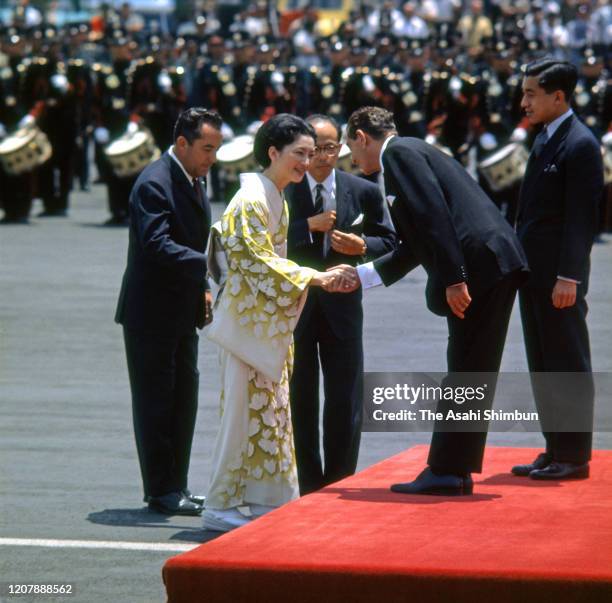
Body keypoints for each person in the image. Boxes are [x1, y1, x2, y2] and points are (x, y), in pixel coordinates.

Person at [338, 106, 529, 496]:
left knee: (466, 369)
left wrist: (455, 278)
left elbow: (433, 218)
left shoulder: (398, 154)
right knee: (472, 369)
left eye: (350, 150)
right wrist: (361, 277)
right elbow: (415, 244)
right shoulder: (411, 151)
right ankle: (454, 469)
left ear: (362, 136)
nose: (353, 161)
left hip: (477, 267)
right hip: (489, 262)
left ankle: (447, 469)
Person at [202, 114, 355, 532]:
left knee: (266, 414)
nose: (307, 162)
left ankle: (258, 499)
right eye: (299, 154)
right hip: (246, 327)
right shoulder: (250, 199)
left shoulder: (274, 197)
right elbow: (252, 259)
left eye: (312, 153)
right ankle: (220, 503)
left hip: (261, 324)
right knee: (240, 417)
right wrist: (314, 276)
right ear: (273, 152)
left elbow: (268, 262)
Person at [115, 108, 223, 515]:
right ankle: (161, 490)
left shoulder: (194, 177)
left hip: (182, 311)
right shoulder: (154, 183)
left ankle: (176, 485)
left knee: (183, 401)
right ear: (182, 144)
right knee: (156, 404)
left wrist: (203, 289)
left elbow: (191, 236)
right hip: (151, 315)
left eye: (216, 149)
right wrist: (212, 262)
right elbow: (157, 244)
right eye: (206, 148)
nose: (212, 157)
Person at [285, 114, 396, 495]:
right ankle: (306, 482)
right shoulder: (284, 189)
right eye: (314, 149)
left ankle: (339, 479)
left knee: (345, 397)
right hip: (297, 306)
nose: (323, 157)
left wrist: (362, 247)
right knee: (299, 397)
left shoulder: (361, 189)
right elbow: (263, 242)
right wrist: (306, 227)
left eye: (331, 148)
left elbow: (391, 241)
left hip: (344, 307)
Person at [511, 58, 603, 481]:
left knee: (566, 360)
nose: (523, 101)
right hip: (535, 274)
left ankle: (574, 453)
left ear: (558, 97)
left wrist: (570, 276)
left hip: (559, 277)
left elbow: (582, 217)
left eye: (532, 93)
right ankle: (554, 446)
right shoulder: (547, 136)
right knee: (544, 361)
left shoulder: (580, 143)